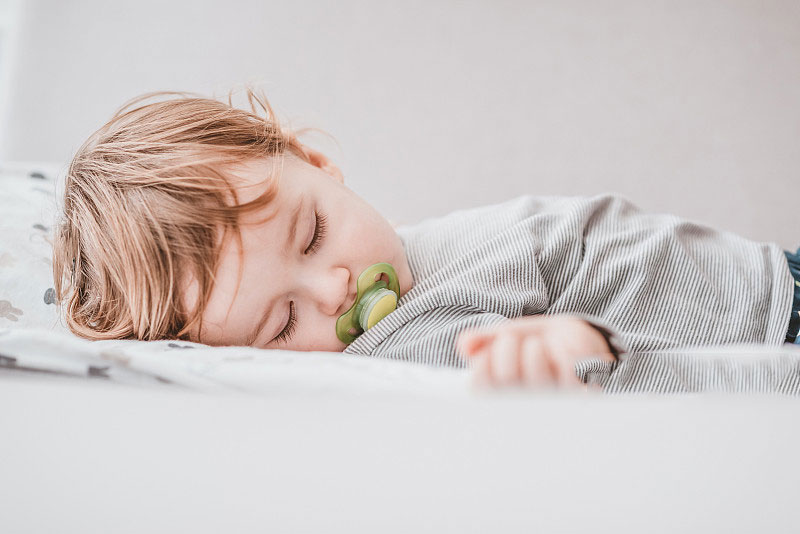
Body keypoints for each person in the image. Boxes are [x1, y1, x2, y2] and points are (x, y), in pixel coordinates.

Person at [52, 87, 800, 390]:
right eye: (281, 323)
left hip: (769, 275)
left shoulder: (408, 258)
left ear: (317, 164)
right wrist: (558, 359)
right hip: (770, 344)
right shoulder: (396, 356)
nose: (335, 288)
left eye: (312, 234)